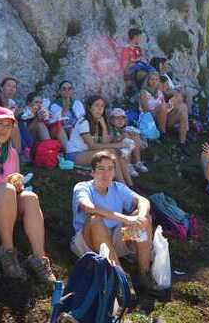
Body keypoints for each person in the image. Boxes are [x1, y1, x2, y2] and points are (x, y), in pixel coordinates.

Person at [0, 106, 56, 285]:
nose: (4, 129)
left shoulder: (12, 152)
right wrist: (2, 187)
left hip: (7, 201)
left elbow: (15, 180)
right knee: (6, 189)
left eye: (9, 125)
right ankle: (7, 250)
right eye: (0, 124)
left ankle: (39, 258)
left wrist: (17, 184)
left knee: (30, 197)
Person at [71, 151, 158, 294]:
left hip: (115, 239)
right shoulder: (82, 187)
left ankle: (144, 273)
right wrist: (126, 219)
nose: (106, 173)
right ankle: (120, 279)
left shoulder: (118, 187)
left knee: (144, 217)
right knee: (95, 219)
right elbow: (88, 208)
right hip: (87, 243)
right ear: (92, 172)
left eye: (110, 169)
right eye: (101, 169)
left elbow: (143, 201)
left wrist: (140, 217)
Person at [65, 95, 133, 187]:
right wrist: (117, 144)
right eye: (96, 105)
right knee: (111, 152)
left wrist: (104, 126)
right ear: (89, 108)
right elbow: (92, 146)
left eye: (102, 106)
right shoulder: (84, 122)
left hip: (87, 152)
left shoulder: (97, 121)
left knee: (117, 152)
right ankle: (124, 186)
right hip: (75, 154)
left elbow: (104, 143)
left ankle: (130, 184)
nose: (99, 109)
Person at [108, 108, 148, 177]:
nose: (120, 121)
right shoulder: (111, 130)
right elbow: (111, 142)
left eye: (122, 118)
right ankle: (128, 165)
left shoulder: (125, 128)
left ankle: (137, 161)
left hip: (128, 148)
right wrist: (121, 137)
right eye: (117, 118)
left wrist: (131, 134)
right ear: (112, 120)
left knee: (134, 134)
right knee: (126, 136)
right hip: (116, 149)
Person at [139, 71, 171, 138]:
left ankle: (183, 140)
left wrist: (168, 105)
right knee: (162, 107)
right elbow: (145, 110)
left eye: (156, 79)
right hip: (149, 116)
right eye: (152, 79)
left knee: (182, 108)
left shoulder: (159, 92)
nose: (154, 82)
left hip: (161, 114)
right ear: (148, 81)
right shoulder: (144, 92)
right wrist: (159, 108)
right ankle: (163, 132)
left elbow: (164, 104)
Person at [0, 77, 21, 152]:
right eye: (8, 86)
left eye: (14, 87)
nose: (11, 89)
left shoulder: (12, 103)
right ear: (1, 88)